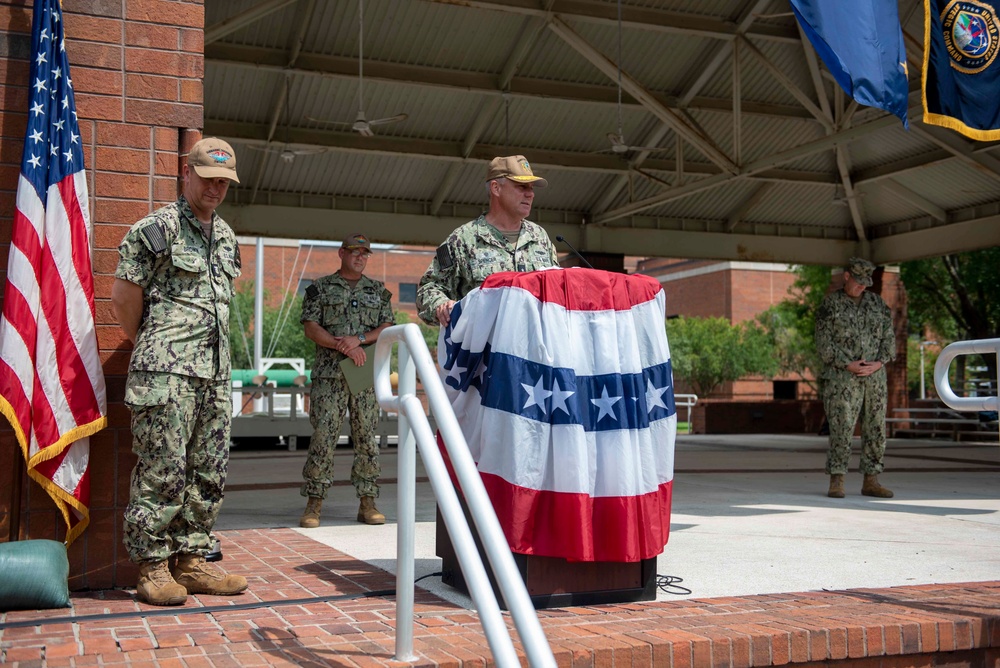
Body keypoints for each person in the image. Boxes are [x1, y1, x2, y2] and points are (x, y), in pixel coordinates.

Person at [111, 137, 248, 606]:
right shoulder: (157, 229)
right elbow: (124, 301)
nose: (215, 189)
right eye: (208, 178)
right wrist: (153, 348)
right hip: (165, 374)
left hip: (214, 375)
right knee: (163, 470)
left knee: (210, 470)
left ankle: (190, 562)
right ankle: (152, 566)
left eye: (223, 182)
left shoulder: (226, 236)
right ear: (186, 173)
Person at [299, 233, 394, 528]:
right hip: (330, 376)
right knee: (323, 438)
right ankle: (314, 503)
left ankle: (367, 502)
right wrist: (341, 345)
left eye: (365, 253)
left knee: (366, 437)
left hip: (363, 375)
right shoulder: (320, 289)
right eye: (355, 252)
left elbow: (387, 325)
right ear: (341, 253)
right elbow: (311, 327)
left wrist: (359, 340)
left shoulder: (378, 292)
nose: (360, 257)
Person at [416, 155, 558, 326]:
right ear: (496, 188)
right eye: (521, 186)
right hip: (485, 347)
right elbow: (428, 289)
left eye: (531, 188)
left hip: (536, 345)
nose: (530, 194)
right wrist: (441, 306)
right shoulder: (462, 239)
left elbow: (557, 289)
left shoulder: (540, 237)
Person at [815, 257, 896, 499]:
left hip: (875, 378)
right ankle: (837, 480)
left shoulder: (877, 304)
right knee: (841, 428)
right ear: (847, 276)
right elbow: (823, 344)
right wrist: (847, 364)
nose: (863, 287)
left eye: (866, 283)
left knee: (876, 428)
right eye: (858, 282)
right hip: (842, 379)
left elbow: (889, 339)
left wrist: (879, 363)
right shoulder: (830, 305)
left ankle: (872, 480)